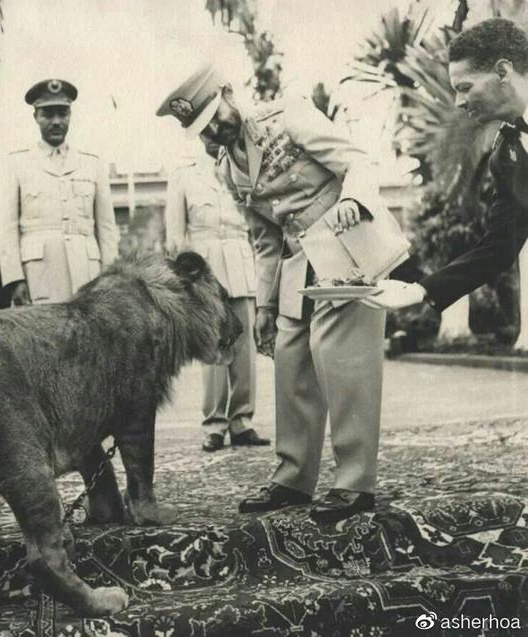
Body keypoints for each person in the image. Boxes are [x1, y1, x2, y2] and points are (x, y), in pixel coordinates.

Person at [157, 65, 409, 522]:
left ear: (230, 92)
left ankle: (354, 482)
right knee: (292, 364)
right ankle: (293, 477)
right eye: (203, 129)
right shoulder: (229, 169)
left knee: (342, 361)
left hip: (345, 245)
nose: (215, 130)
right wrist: (265, 307)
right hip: (297, 263)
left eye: (216, 115)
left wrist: (354, 199)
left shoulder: (288, 116)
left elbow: (357, 161)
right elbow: (265, 240)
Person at [363, 18, 528, 314]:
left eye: (464, 87)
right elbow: (499, 248)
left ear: (503, 71)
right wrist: (421, 290)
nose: (458, 102)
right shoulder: (505, 154)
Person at [165, 140, 270, 452]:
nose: (212, 137)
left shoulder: (245, 165)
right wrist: (183, 280)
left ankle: (242, 422)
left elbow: (259, 225)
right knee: (212, 348)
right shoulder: (184, 173)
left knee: (244, 348)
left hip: (241, 264)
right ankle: (214, 425)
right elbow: (175, 234)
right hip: (204, 271)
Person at [0, 78, 119, 306]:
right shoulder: (16, 164)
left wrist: (110, 278)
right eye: (47, 115)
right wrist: (15, 280)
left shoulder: (92, 163)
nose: (56, 122)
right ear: (35, 117)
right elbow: (6, 228)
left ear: (70, 115)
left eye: (62, 114)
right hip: (38, 278)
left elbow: (107, 228)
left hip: (89, 276)